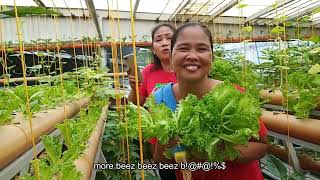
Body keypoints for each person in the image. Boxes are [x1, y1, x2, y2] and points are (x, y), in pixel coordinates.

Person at [152, 22, 268, 180]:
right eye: (183, 48)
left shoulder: (232, 94)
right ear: (171, 57)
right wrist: (178, 151)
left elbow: (261, 146)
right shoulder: (161, 99)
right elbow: (160, 161)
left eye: (202, 49)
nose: (192, 56)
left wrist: (216, 152)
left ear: (211, 57)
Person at [127, 24, 177, 180]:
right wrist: (135, 88)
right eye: (158, 40)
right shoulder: (148, 71)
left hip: (187, 141)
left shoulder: (189, 69)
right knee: (168, 175)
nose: (164, 42)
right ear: (153, 48)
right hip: (159, 144)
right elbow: (135, 106)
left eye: (169, 38)